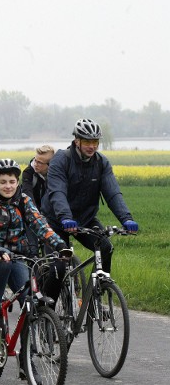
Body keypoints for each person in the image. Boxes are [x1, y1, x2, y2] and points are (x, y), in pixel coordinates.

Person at [0, 159, 71, 383]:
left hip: (16, 256)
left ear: (17, 182)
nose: (8, 186)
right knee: (3, 263)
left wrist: (59, 245)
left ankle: (27, 360)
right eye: (3, 181)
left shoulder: (23, 200)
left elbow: (40, 224)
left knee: (30, 302)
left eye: (12, 181)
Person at [40, 119, 139, 302]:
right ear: (77, 140)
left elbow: (112, 193)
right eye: (87, 141)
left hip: (85, 219)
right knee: (59, 267)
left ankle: (95, 296)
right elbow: (58, 192)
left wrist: (126, 219)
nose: (92, 146)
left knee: (105, 247)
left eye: (95, 142)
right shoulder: (62, 160)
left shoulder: (101, 163)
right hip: (56, 220)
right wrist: (65, 217)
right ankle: (47, 313)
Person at [21, 144, 55, 255]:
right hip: (30, 209)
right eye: (36, 160)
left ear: (50, 164)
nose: (36, 164)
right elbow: (27, 194)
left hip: (48, 210)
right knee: (33, 249)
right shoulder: (29, 172)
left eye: (40, 162)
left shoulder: (56, 174)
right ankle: (33, 263)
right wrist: (35, 213)